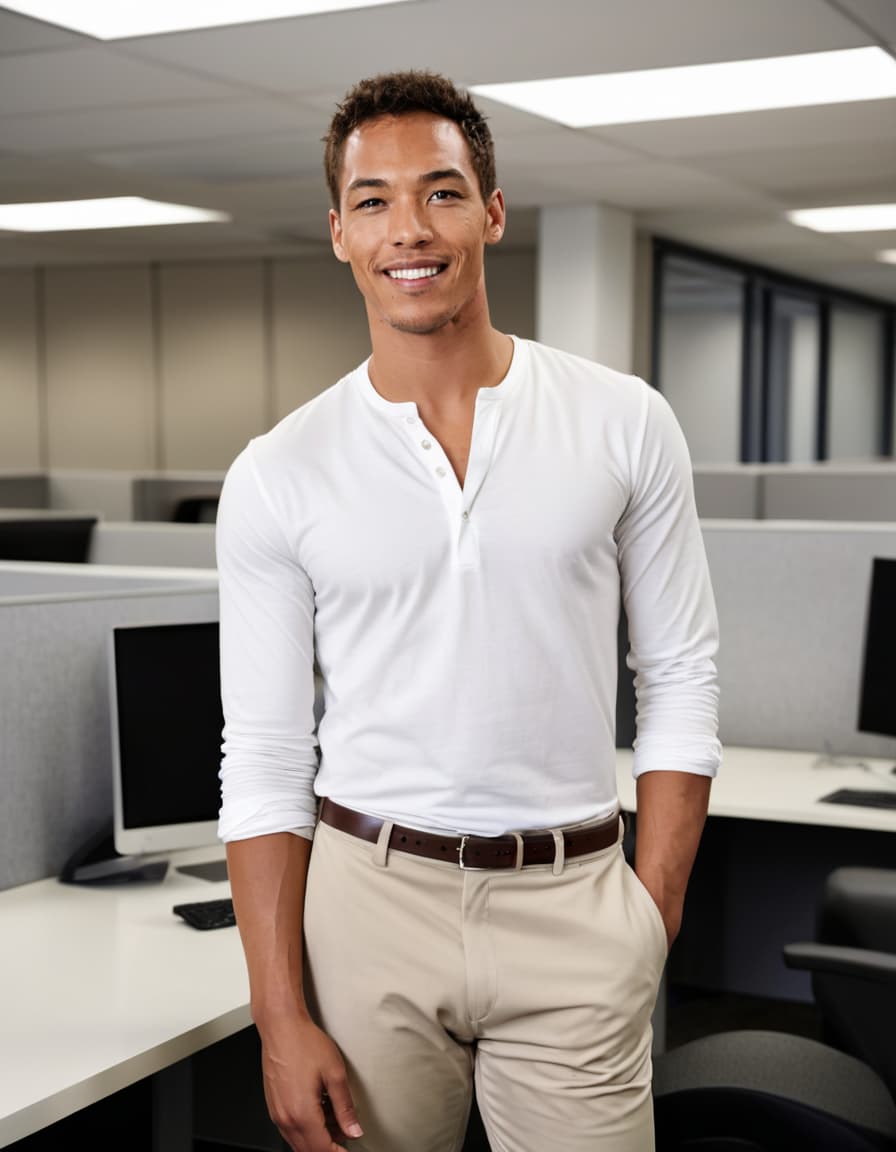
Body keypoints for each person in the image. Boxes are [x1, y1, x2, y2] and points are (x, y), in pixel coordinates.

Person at [215, 69, 721, 1152]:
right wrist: (277, 1014)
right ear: (339, 234)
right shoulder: (278, 472)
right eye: (373, 201)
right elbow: (262, 753)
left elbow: (678, 676)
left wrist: (650, 914)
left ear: (491, 213)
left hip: (576, 894)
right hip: (367, 906)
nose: (410, 228)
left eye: (441, 193)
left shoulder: (622, 423)